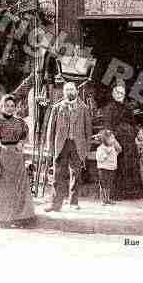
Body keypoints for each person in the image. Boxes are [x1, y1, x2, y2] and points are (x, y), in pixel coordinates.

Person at [0, 94, 36, 228]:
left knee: (19, 188)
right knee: (4, 189)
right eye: (6, 106)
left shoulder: (20, 122)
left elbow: (26, 133)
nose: (9, 108)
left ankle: (20, 218)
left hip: (18, 159)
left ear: (15, 107)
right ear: (1, 107)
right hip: (4, 157)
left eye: (12, 106)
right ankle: (5, 219)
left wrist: (21, 142)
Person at [45, 82, 92, 212]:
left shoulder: (84, 108)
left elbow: (88, 130)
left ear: (76, 91)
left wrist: (86, 148)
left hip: (78, 145)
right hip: (61, 144)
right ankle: (55, 204)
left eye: (72, 89)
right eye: (67, 90)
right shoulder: (57, 107)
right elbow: (51, 129)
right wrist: (50, 147)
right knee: (57, 174)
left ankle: (73, 202)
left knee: (76, 174)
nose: (70, 92)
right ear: (64, 92)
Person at [102, 83, 142, 199]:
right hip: (117, 141)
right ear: (113, 93)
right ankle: (118, 194)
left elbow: (134, 124)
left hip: (129, 142)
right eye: (117, 92)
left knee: (131, 166)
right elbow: (108, 127)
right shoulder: (109, 108)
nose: (119, 95)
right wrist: (114, 142)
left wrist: (134, 135)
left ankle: (131, 194)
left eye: (122, 93)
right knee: (119, 166)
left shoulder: (128, 107)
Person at [95, 129, 122, 205]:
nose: (113, 140)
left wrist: (114, 153)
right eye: (111, 138)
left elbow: (118, 151)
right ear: (105, 140)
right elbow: (99, 158)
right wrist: (106, 154)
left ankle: (108, 199)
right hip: (103, 169)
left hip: (111, 168)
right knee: (103, 184)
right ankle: (103, 200)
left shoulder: (112, 147)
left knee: (109, 184)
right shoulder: (101, 148)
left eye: (114, 138)